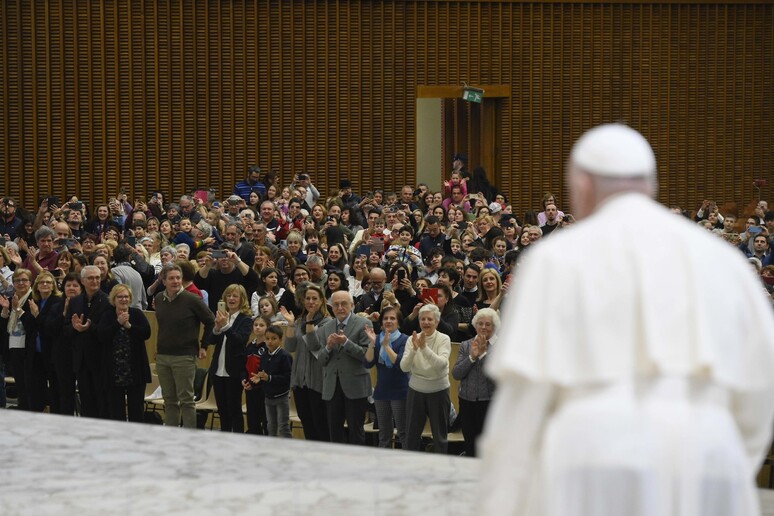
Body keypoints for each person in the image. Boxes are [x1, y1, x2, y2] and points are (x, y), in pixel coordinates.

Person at [480, 124, 774, 515]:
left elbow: (523, 404)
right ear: (650, 186)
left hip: (590, 456)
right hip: (708, 453)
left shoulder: (555, 259)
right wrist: (721, 456)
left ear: (582, 185)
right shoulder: (724, 260)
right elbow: (760, 389)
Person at [308, 290, 373, 445]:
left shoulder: (364, 324)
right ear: (331, 307)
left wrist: (346, 343)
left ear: (352, 305)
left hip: (355, 386)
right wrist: (329, 347)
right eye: (336, 304)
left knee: (356, 431)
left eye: (344, 303)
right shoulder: (326, 327)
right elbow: (322, 360)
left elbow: (366, 357)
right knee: (334, 432)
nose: (340, 307)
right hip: (332, 386)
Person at [154, 264, 214, 428]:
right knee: (169, 399)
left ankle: (189, 438)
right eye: (171, 278)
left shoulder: (192, 299)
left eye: (178, 278)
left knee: (186, 400)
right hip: (163, 356)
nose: (175, 281)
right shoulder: (159, 298)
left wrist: (204, 346)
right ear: (164, 280)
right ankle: (172, 435)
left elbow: (210, 321)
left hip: (185, 356)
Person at [281, 284, 332, 442]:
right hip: (300, 379)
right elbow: (290, 347)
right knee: (307, 422)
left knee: (320, 424)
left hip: (317, 380)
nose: (310, 302)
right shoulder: (300, 320)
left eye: (314, 299)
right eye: (307, 298)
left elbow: (315, 347)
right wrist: (291, 324)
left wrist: (310, 324)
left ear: (322, 301)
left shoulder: (327, 322)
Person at [400, 303, 451, 454]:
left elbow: (441, 365)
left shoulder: (444, 339)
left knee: (440, 436)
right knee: (411, 436)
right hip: (416, 390)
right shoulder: (411, 340)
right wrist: (414, 349)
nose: (426, 322)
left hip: (439, 391)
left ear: (437, 322)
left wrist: (424, 348)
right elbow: (404, 367)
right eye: (423, 319)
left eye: (430, 319)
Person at [96, 284, 151, 422]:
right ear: (114, 299)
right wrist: (118, 323)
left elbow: (146, 333)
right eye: (120, 297)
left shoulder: (137, 314)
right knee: (116, 411)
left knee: (136, 410)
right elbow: (101, 336)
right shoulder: (107, 315)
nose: (123, 299)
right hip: (114, 371)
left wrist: (129, 326)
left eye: (126, 296)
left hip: (135, 371)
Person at [63, 265, 112, 418]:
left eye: (97, 277)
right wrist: (76, 328)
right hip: (81, 360)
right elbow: (65, 329)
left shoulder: (108, 300)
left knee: (102, 402)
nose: (95, 280)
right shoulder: (75, 301)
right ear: (83, 281)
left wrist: (88, 328)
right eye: (90, 278)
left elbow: (108, 331)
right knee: (86, 401)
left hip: (101, 360)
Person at [452, 308, 499, 457]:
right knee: (470, 445)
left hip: (489, 403)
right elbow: (456, 374)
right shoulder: (466, 345)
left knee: (487, 447)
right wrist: (472, 357)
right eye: (480, 323)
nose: (483, 327)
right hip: (467, 402)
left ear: (495, 327)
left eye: (488, 324)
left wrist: (483, 354)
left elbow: (496, 378)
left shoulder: (500, 347)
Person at [206, 284, 251, 433]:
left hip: (234, 370)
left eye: (235, 296)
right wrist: (217, 328)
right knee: (222, 410)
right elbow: (211, 340)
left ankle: (237, 439)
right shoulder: (221, 315)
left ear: (242, 299)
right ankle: (223, 439)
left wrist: (226, 326)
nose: (231, 299)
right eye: (229, 296)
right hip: (218, 370)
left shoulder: (246, 319)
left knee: (234, 410)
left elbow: (240, 342)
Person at [363, 307, 410, 448]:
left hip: (400, 392)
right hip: (381, 392)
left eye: (392, 318)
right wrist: (372, 343)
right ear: (381, 322)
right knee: (384, 433)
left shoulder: (405, 339)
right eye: (385, 318)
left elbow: (401, 364)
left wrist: (386, 346)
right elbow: (367, 363)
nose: (388, 321)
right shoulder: (376, 338)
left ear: (399, 322)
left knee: (403, 432)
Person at [253, 325, 293, 438]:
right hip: (268, 396)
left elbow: (288, 377)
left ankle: (290, 450)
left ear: (280, 339)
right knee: (270, 426)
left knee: (283, 426)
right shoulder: (265, 355)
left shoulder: (285, 356)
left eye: (274, 338)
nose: (270, 341)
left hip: (282, 397)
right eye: (268, 338)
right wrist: (259, 377)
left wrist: (269, 378)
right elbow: (262, 372)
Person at [243, 315, 270, 435]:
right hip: (249, 388)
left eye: (262, 325)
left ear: (268, 328)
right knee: (252, 419)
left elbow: (267, 369)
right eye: (256, 325)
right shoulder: (250, 346)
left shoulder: (268, 347)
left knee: (265, 419)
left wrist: (257, 381)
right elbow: (243, 366)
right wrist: (244, 379)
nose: (258, 327)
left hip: (262, 389)